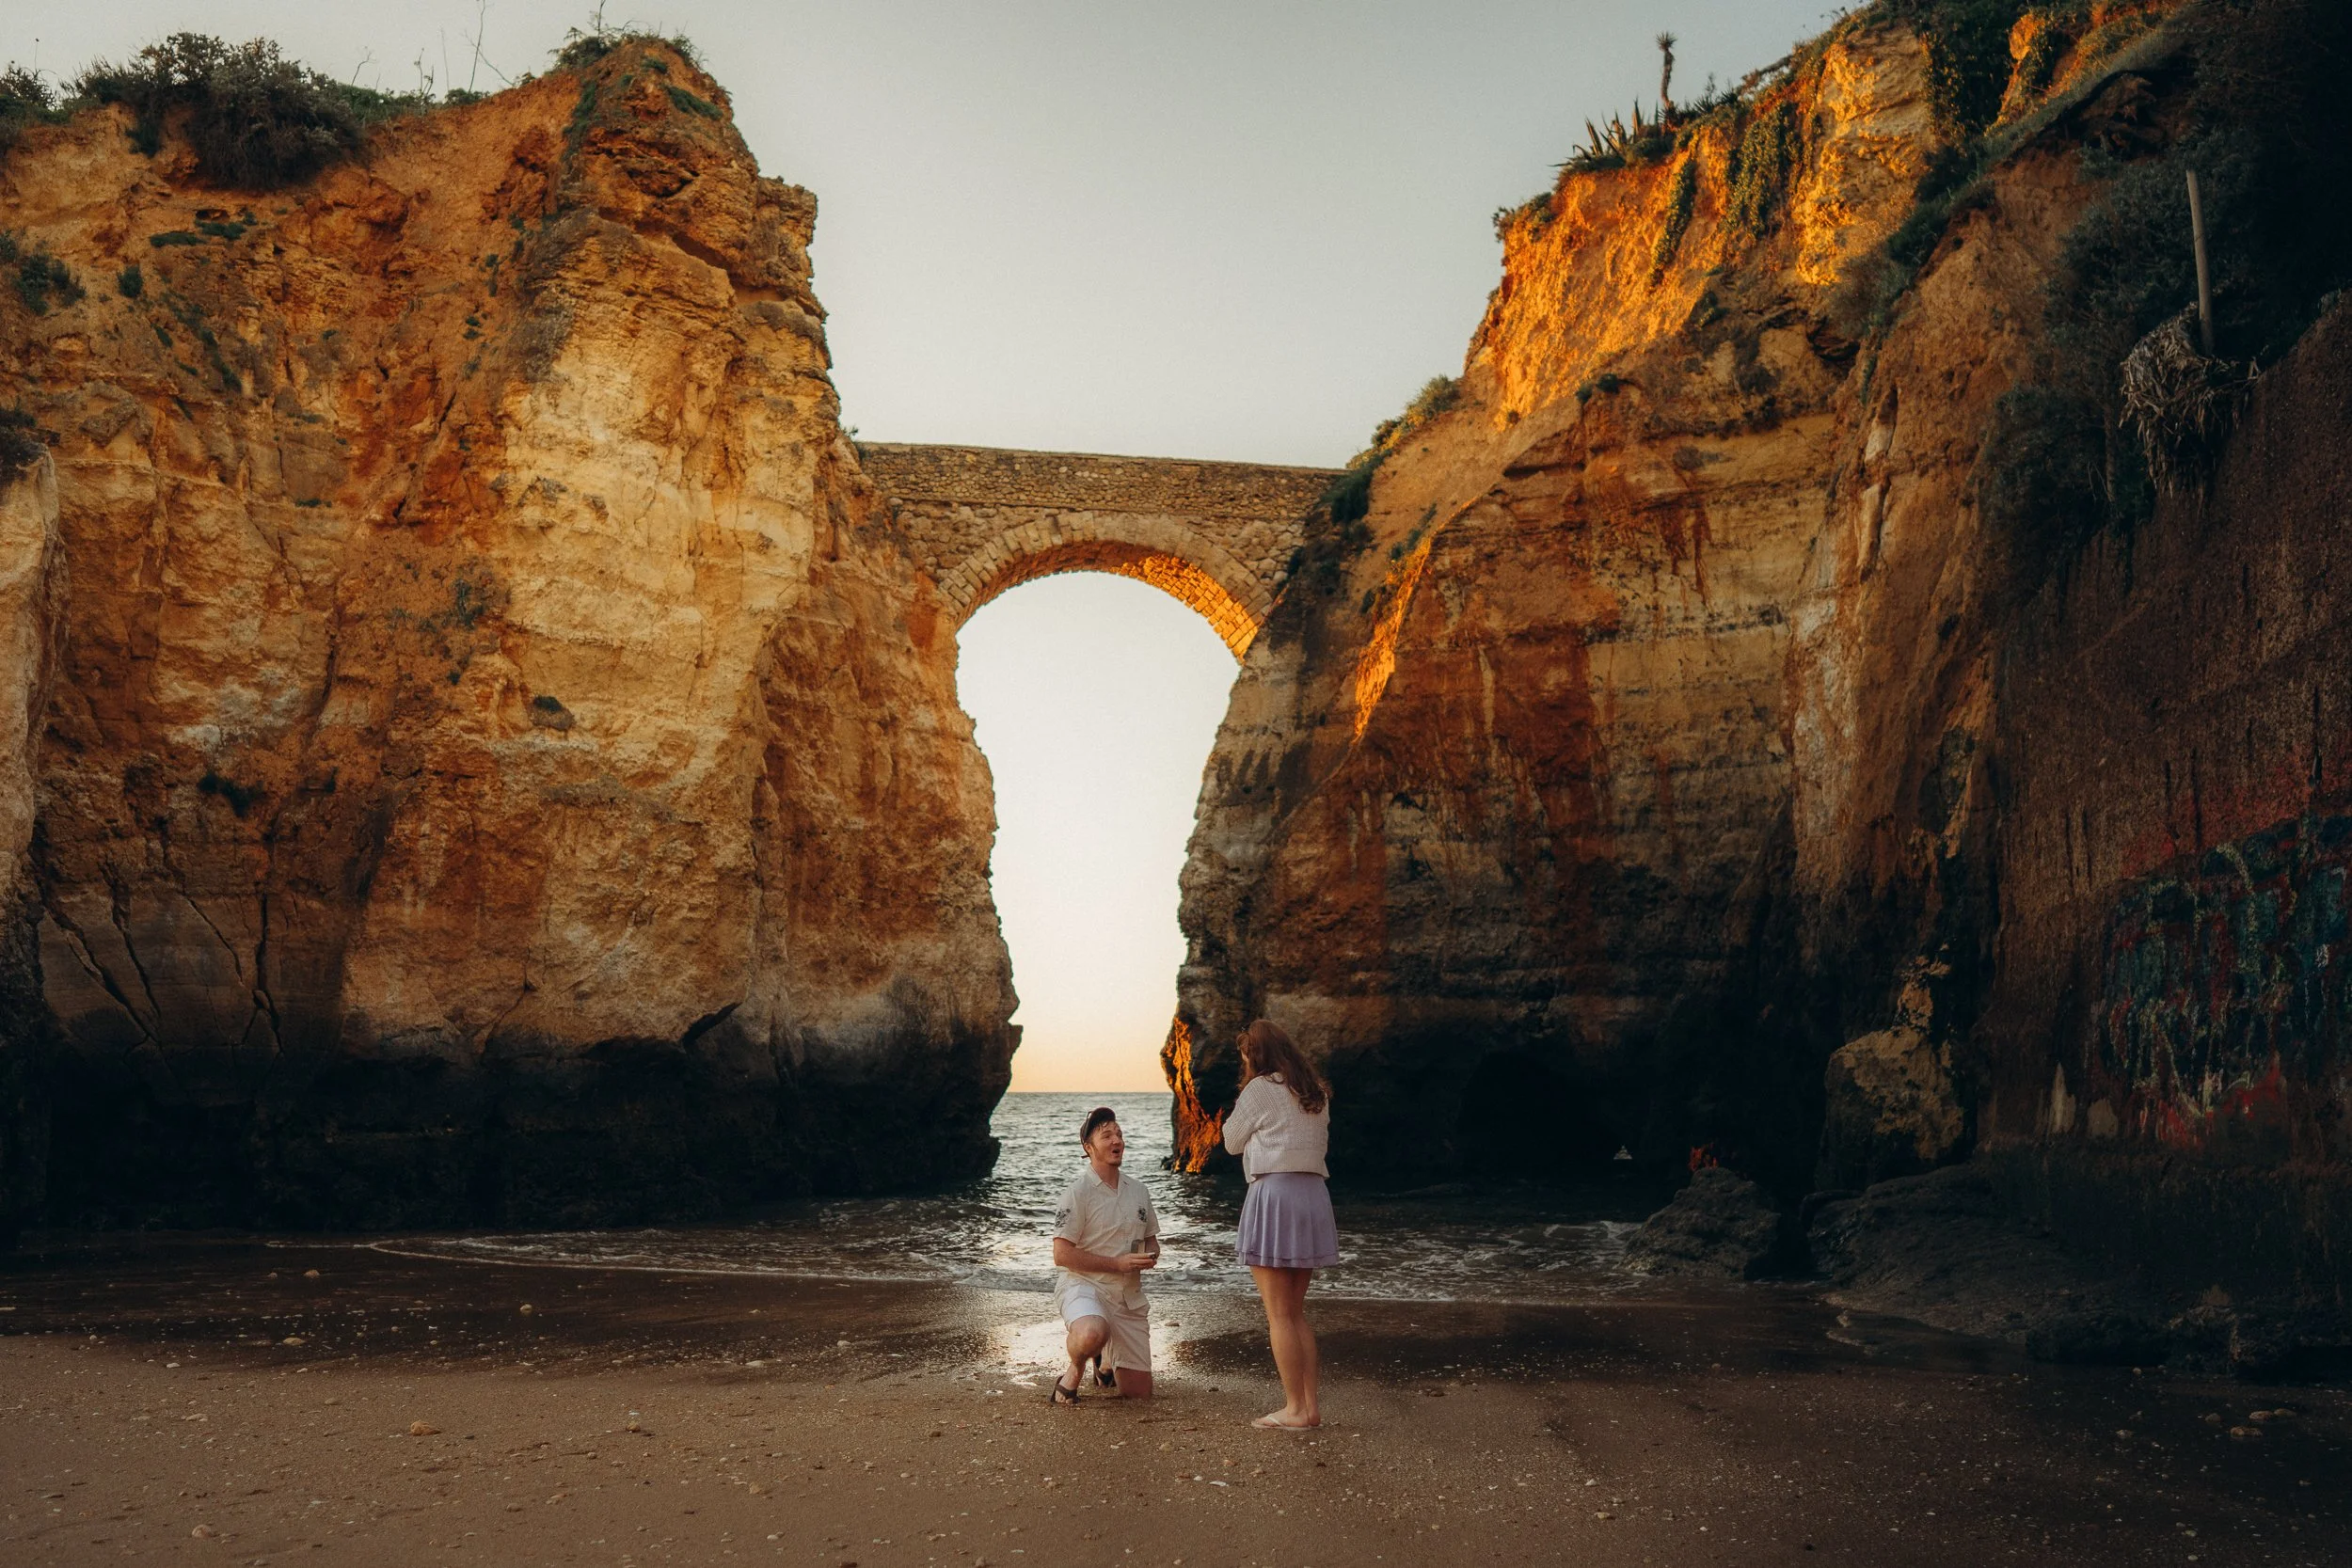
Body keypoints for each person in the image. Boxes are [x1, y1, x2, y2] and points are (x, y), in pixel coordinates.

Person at [1222, 1019, 1337, 1430]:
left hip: (1275, 1195)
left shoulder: (1259, 1090)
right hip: (1312, 1197)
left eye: (1244, 1055)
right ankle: (1309, 1406)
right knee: (1296, 1313)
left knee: (1279, 1316)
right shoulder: (1315, 1093)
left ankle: (1294, 1409)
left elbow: (1231, 1142)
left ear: (1255, 1054)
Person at [1049, 1105, 1160, 1404]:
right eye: (1107, 1135)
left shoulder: (1139, 1191)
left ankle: (1106, 1359)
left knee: (1139, 1394)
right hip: (1085, 1286)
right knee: (1090, 1334)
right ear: (1088, 1148)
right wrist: (1116, 1263)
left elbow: (1152, 1242)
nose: (1116, 1141)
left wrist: (1147, 1257)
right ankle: (1075, 1368)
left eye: (1119, 1134)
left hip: (1127, 1297)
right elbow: (1061, 1254)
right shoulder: (1076, 1193)